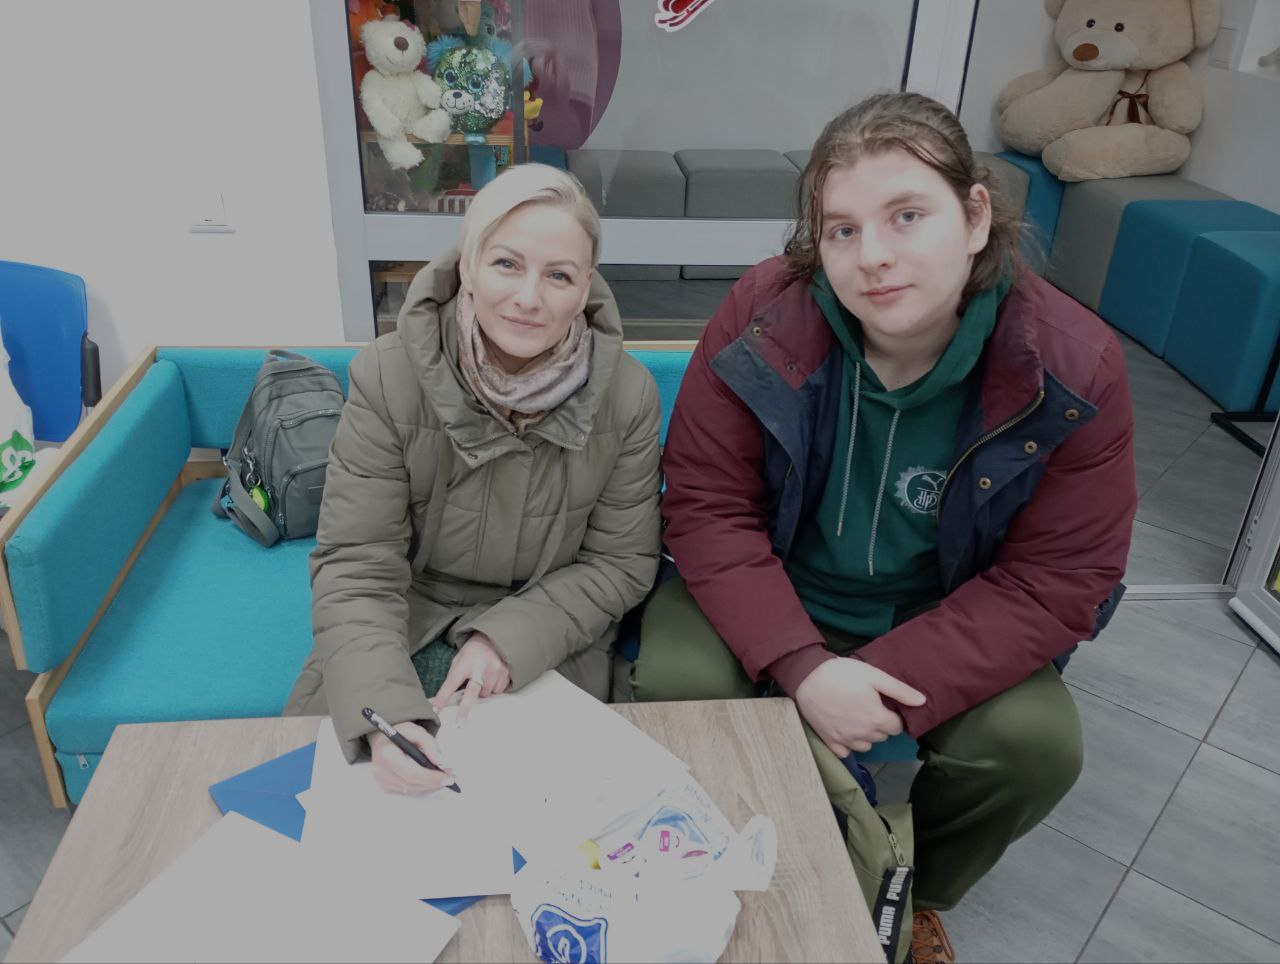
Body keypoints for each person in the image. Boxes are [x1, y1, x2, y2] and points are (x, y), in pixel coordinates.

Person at [633, 92, 1136, 962]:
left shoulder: (1073, 363)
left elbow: (1059, 582)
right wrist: (801, 664)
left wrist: (877, 681)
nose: (873, 256)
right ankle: (723, 867)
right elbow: (708, 505)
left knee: (1034, 746)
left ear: (974, 216)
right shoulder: (762, 315)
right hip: (774, 584)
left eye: (907, 215)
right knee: (677, 679)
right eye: (843, 230)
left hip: (941, 611)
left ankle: (916, 891)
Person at [285, 163, 663, 797]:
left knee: (547, 808)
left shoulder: (627, 396)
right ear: (467, 266)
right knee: (340, 795)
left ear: (585, 289)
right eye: (507, 264)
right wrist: (384, 716)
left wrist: (506, 640)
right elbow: (357, 562)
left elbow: (620, 563)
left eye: (559, 275)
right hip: (407, 612)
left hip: (550, 626)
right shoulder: (388, 376)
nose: (528, 298)